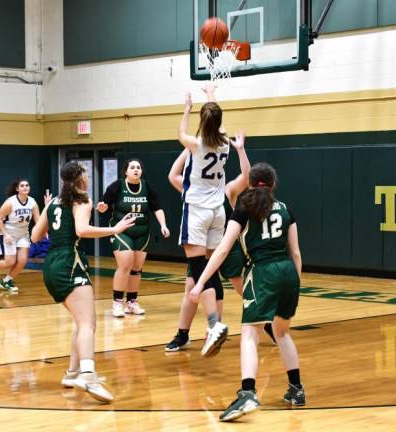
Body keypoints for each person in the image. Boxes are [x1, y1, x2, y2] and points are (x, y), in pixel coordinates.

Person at [190, 162, 305, 421]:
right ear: (273, 185)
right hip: (288, 272)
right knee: (281, 332)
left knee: (249, 335)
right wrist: (295, 283)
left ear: (250, 183)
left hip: (263, 272)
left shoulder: (244, 208)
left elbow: (221, 250)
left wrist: (200, 283)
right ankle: (296, 389)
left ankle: (247, 393)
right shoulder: (285, 209)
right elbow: (296, 252)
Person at [31, 162, 135, 403]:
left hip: (51, 264)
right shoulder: (82, 199)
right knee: (88, 324)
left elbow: (35, 236)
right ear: (79, 179)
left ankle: (73, 373)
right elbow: (81, 230)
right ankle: (88, 375)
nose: (88, 178)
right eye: (86, 175)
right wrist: (114, 229)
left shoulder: (53, 202)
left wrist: (55, 223)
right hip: (70, 262)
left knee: (81, 323)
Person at [165, 136, 271, 352]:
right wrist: (190, 148)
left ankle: (267, 322)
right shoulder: (193, 190)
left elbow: (246, 176)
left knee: (242, 287)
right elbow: (173, 175)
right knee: (192, 288)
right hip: (202, 247)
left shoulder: (227, 189)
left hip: (227, 246)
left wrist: (240, 150)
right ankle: (186, 334)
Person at [176, 84, 235, 357]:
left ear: (201, 121)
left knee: (199, 269)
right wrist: (211, 94)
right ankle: (210, 325)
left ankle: (213, 324)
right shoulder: (225, 141)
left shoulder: (195, 144)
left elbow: (180, 134)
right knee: (211, 268)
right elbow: (216, 120)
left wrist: (187, 109)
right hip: (218, 211)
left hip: (198, 209)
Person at [97, 159, 170, 317]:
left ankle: (132, 302)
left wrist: (163, 225)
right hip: (122, 231)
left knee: (136, 269)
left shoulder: (147, 187)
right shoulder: (117, 186)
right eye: (132, 167)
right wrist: (103, 207)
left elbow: (157, 208)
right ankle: (117, 302)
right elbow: (104, 205)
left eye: (138, 167)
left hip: (142, 232)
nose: (136, 170)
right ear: (126, 171)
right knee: (125, 264)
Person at [0, 179, 46, 292]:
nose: (25, 187)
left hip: (23, 234)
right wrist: (6, 234)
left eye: (27, 185)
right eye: (22, 186)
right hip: (9, 234)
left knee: (22, 260)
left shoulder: (32, 202)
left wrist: (43, 230)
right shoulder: (10, 202)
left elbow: (38, 220)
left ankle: (7, 281)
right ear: (17, 189)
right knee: (10, 262)